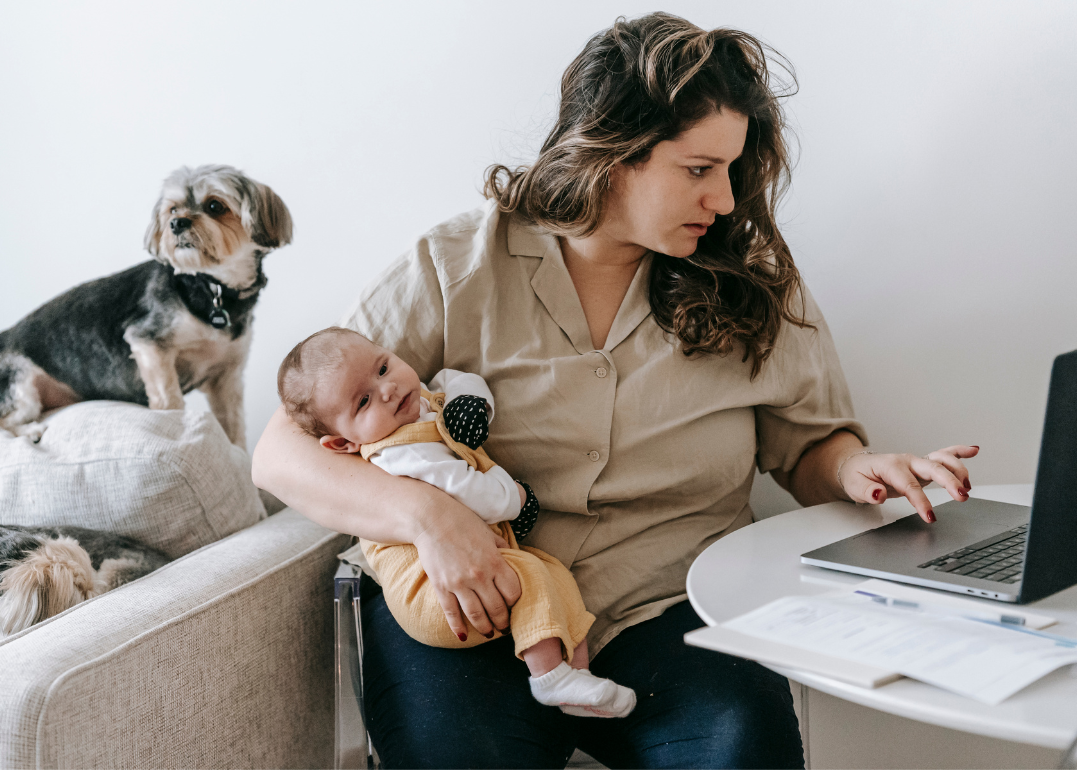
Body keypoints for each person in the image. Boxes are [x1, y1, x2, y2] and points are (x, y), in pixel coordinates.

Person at [252, 12, 976, 769]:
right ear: (610, 152)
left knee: (743, 749)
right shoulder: (456, 263)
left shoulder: (752, 277)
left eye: (730, 169)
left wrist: (855, 470)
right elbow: (280, 454)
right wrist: (428, 514)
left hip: (671, 607)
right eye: (698, 170)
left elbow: (808, 446)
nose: (725, 200)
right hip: (476, 606)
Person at [275, 326, 637, 718]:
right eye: (363, 401)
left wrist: (470, 402)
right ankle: (548, 675)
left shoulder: (421, 402)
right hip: (432, 594)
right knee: (531, 576)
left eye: (383, 368)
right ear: (343, 444)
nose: (388, 390)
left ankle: (576, 678)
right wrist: (516, 498)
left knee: (555, 575)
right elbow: (470, 491)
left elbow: (453, 379)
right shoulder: (397, 454)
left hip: (474, 566)